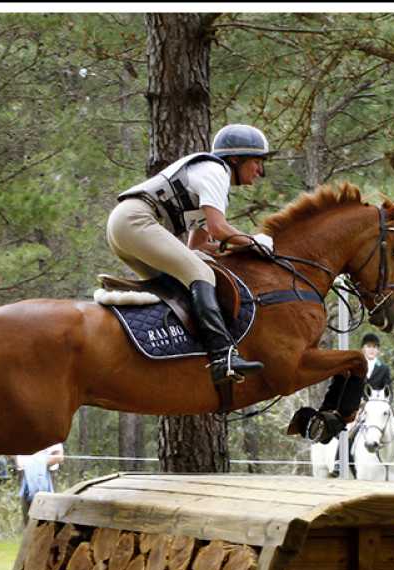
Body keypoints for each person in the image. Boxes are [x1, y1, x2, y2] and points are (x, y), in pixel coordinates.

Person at [108, 123, 273, 386]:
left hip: (125, 226)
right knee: (200, 273)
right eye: (257, 161)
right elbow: (219, 229)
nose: (260, 171)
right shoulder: (216, 171)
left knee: (181, 284)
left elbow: (198, 247)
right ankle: (223, 356)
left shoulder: (212, 182)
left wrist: (238, 247)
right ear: (235, 159)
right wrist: (255, 243)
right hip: (136, 221)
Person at [290, 332, 392, 445]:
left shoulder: (383, 368)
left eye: (375, 347)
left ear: (378, 350)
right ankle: (340, 458)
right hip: (355, 408)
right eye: (369, 346)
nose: (372, 350)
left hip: (375, 406)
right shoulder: (355, 362)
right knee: (349, 433)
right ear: (363, 348)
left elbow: (388, 391)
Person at [16, 443, 64, 528]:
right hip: (25, 477)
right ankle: (29, 538)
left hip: (46, 477)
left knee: (46, 520)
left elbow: (59, 457)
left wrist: (38, 464)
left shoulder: (51, 433)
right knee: (28, 518)